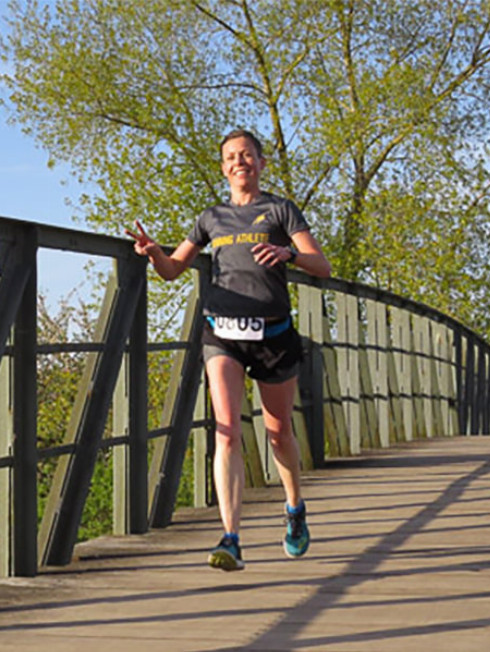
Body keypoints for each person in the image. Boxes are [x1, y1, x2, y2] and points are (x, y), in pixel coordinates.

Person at [125, 128, 332, 572]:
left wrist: (288, 254)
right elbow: (173, 269)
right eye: (231, 157)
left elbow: (322, 265)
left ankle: (295, 508)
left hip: (274, 335)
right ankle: (231, 538)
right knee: (227, 431)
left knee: (278, 433)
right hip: (223, 334)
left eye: (247, 155)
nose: (240, 162)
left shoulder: (280, 209)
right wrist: (152, 252)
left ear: (260, 163)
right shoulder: (211, 218)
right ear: (223, 168)